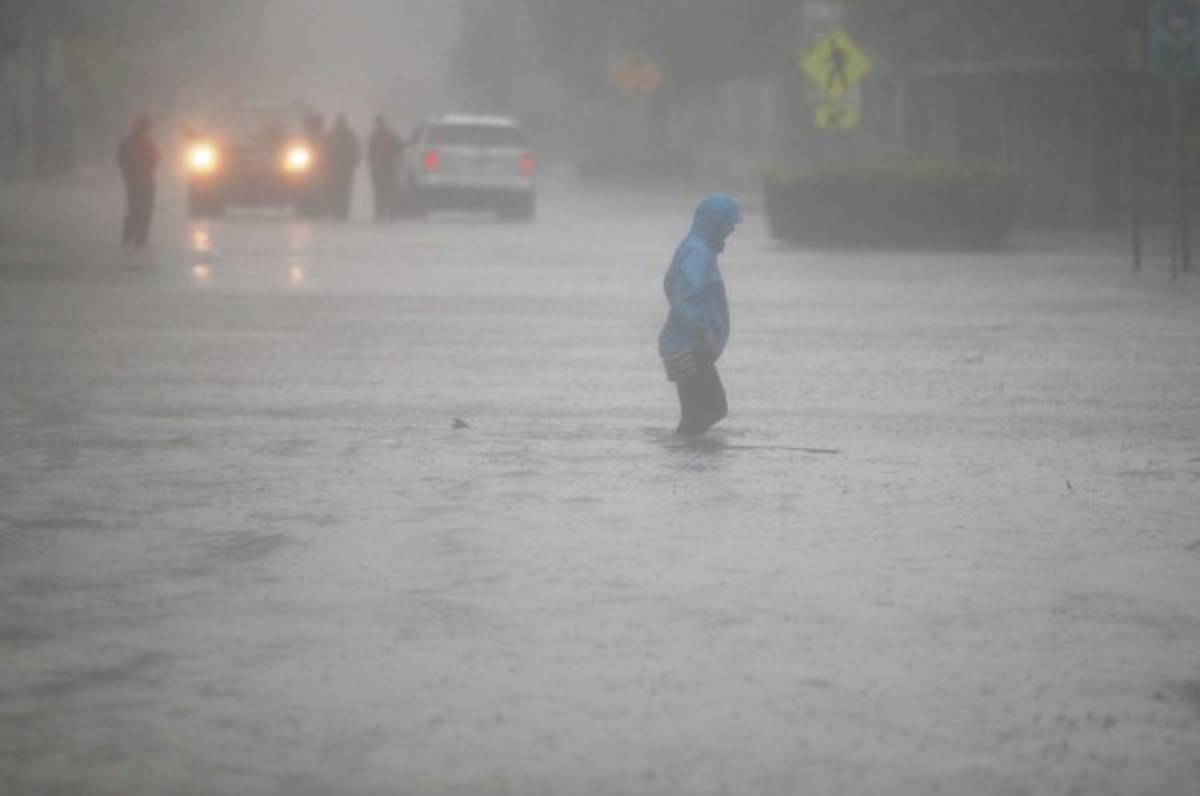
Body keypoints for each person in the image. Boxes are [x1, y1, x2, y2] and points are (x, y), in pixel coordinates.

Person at [658, 193, 743, 436]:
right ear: (716, 224)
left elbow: (671, 285)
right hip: (688, 345)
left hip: (683, 345)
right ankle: (685, 450)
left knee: (700, 412)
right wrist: (702, 329)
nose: (731, 231)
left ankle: (688, 450)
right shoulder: (697, 252)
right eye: (728, 225)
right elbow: (685, 294)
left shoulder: (698, 248)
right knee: (711, 410)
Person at [117, 115, 160, 247]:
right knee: (141, 210)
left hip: (138, 181)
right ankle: (138, 237)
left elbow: (122, 160)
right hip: (140, 181)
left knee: (139, 210)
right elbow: (156, 160)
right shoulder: (143, 144)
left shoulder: (131, 143)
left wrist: (130, 174)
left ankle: (134, 236)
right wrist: (137, 173)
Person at [367, 116, 403, 221]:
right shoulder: (380, 137)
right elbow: (370, 153)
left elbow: (399, 149)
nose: (378, 125)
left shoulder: (382, 137)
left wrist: (372, 164)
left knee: (385, 191)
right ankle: (384, 212)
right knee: (384, 191)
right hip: (383, 168)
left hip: (386, 168)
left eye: (379, 123)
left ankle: (387, 212)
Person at [327, 113, 361, 221]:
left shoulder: (332, 135)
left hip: (339, 167)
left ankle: (338, 211)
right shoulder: (349, 135)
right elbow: (356, 150)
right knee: (343, 190)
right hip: (343, 167)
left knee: (337, 190)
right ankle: (342, 211)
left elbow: (356, 150)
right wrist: (354, 162)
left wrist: (354, 161)